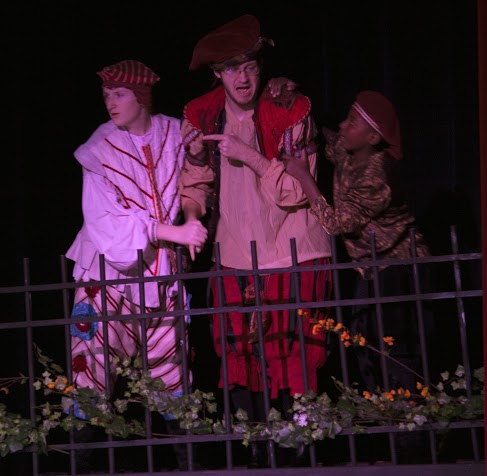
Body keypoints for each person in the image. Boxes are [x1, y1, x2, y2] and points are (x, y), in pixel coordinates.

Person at [178, 14, 333, 467]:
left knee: (296, 352)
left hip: (293, 247)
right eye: (231, 69)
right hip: (236, 252)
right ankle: (257, 446)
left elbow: (296, 191)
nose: (243, 78)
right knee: (241, 353)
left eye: (249, 67)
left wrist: (249, 155)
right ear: (217, 74)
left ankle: (303, 445)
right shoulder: (202, 115)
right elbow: (195, 182)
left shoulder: (290, 110)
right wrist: (192, 216)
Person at [65, 59, 208, 471]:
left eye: (119, 94)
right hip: (107, 274)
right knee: (90, 370)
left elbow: (196, 178)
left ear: (141, 96)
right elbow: (104, 221)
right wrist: (173, 231)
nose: (110, 103)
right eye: (106, 95)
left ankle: (189, 466)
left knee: (172, 369)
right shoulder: (99, 148)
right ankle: (80, 465)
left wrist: (192, 217)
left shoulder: (174, 132)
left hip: (160, 273)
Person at [281, 90, 433, 461]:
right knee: (366, 350)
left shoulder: (376, 176)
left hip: (398, 267)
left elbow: (337, 223)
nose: (343, 126)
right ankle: (388, 436)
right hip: (370, 268)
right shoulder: (349, 149)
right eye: (347, 117)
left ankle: (411, 445)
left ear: (373, 137)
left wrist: (304, 177)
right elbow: (326, 139)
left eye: (352, 122)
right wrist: (294, 105)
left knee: (396, 354)